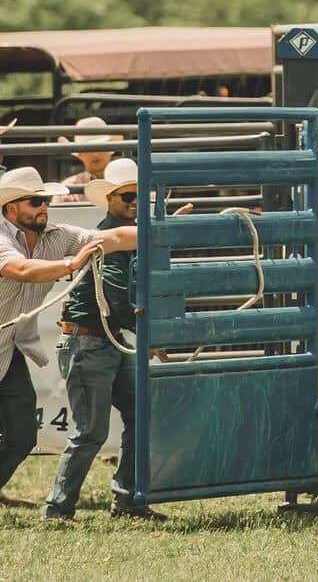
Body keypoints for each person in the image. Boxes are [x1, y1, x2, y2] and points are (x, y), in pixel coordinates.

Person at [41, 159, 190, 521]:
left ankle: (125, 499)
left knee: (136, 416)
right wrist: (151, 338)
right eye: (127, 195)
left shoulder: (122, 236)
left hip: (100, 342)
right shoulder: (109, 241)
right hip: (89, 343)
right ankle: (59, 509)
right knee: (92, 431)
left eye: (140, 195)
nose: (135, 200)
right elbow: (118, 301)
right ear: (109, 198)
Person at [0, 166, 136, 508]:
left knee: (21, 436)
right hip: (10, 345)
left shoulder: (56, 236)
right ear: (10, 209)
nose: (43, 207)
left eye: (45, 200)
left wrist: (161, 230)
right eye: (35, 201)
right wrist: (71, 264)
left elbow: (113, 239)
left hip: (9, 348)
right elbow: (19, 269)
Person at [53, 117, 122, 204]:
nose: (95, 154)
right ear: (79, 154)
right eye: (88, 149)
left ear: (110, 149)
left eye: (100, 147)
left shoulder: (66, 189)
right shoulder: (65, 190)